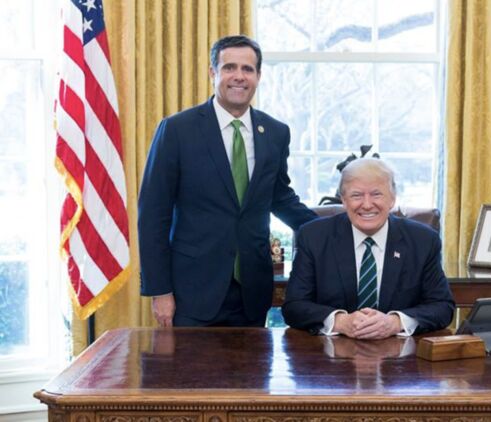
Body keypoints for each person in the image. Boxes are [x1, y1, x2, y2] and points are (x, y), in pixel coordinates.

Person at [138, 35, 317, 327]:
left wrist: (331, 231)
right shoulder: (177, 130)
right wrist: (160, 290)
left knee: (253, 361)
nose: (239, 76)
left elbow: (280, 197)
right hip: (192, 292)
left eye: (247, 69)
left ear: (258, 76)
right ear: (213, 72)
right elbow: (152, 215)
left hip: (252, 291)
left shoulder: (275, 132)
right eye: (229, 67)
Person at [282, 158, 455, 339]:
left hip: (401, 351)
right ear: (344, 200)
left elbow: (442, 307)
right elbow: (294, 306)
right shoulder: (314, 237)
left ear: (392, 199)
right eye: (356, 195)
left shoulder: (423, 241)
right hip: (329, 350)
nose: (366, 205)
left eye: (376, 194)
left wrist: (396, 322)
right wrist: (340, 321)